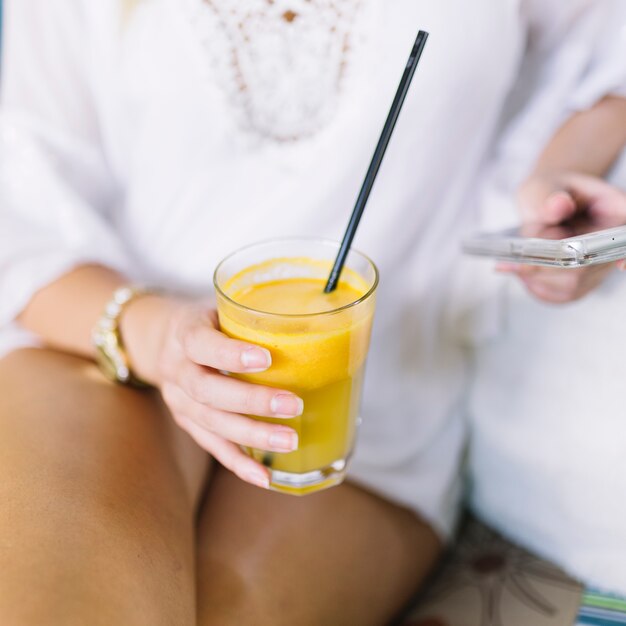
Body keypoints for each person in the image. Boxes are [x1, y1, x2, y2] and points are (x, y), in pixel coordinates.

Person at [0, 1, 624, 624]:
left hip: (374, 412)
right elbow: (21, 210)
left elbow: (606, 55)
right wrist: (160, 337)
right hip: (113, 345)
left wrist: (556, 184)